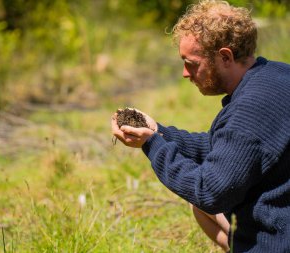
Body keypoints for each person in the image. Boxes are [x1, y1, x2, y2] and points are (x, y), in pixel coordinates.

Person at [111, 0, 290, 252]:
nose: (185, 73)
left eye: (192, 63)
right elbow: (223, 147)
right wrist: (158, 131)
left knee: (202, 202)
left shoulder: (249, 110)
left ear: (225, 57)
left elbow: (210, 192)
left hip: (277, 240)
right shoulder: (277, 74)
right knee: (200, 210)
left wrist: (152, 145)